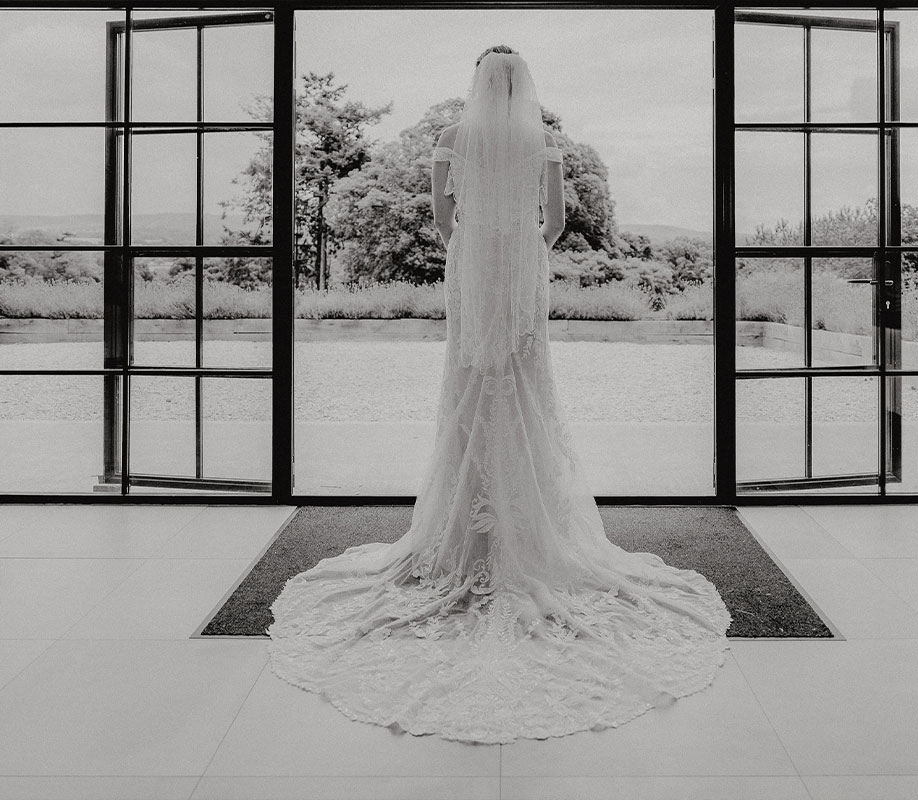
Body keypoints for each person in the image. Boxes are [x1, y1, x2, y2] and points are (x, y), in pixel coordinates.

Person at [267, 45, 732, 745]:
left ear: (478, 83)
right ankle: (527, 526)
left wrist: (475, 244)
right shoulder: (541, 139)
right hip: (520, 266)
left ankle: (461, 534)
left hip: (474, 263)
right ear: (522, 86)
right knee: (524, 387)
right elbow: (556, 223)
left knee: (469, 383)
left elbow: (440, 217)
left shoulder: (451, 138)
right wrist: (522, 248)